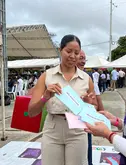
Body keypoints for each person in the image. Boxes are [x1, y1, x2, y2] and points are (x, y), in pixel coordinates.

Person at [28, 34, 97, 165]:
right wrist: (45, 97)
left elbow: (94, 111)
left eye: (76, 53)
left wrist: (88, 104)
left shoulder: (86, 79)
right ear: (60, 50)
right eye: (68, 51)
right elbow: (31, 112)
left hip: (77, 130)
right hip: (53, 129)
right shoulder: (46, 76)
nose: (72, 56)